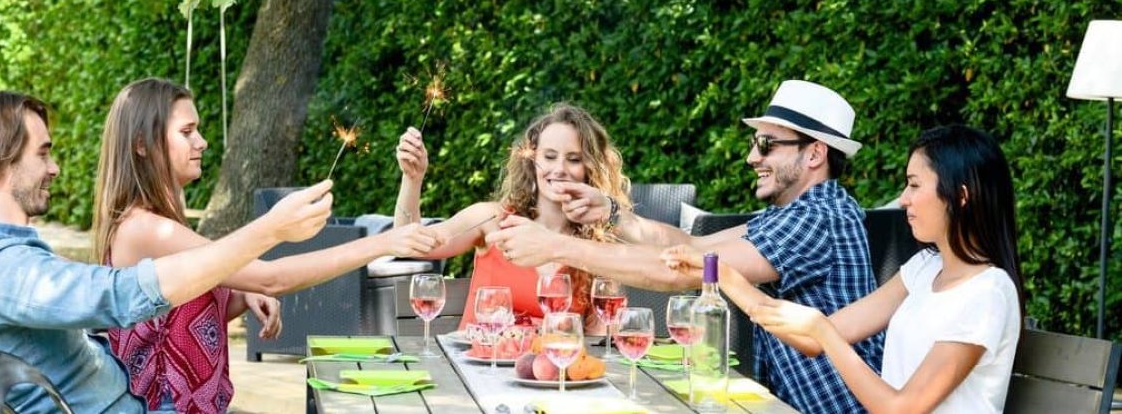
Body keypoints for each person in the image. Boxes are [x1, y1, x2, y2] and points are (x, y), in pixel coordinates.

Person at [486, 80, 882, 412]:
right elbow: (693, 245)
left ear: (815, 153)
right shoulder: (797, 213)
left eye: (766, 144)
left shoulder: (815, 220)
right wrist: (611, 213)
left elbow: (686, 271)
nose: (751, 157)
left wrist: (557, 247)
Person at [91, 78, 443, 412]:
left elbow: (180, 315)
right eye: (187, 132)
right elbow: (271, 277)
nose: (202, 142)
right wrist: (382, 242)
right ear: (141, 144)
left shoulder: (165, 222)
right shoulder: (146, 229)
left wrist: (244, 296)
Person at [0, 90, 332, 412]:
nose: (55, 167)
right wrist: (270, 230)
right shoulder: (6, 268)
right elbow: (119, 296)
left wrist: (239, 289)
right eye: (43, 153)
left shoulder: (14, 256)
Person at [666, 124, 1024, 412]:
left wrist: (823, 331)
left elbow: (901, 409)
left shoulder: (986, 294)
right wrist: (720, 274)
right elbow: (809, 338)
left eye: (915, 185)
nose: (904, 198)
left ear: (961, 196)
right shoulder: (925, 269)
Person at [394, 103, 630, 333]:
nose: (559, 168)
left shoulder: (596, 245)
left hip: (547, 369)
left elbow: (601, 341)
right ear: (532, 160)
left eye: (574, 159)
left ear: (589, 168)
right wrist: (412, 179)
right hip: (475, 367)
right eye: (549, 156)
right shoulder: (492, 219)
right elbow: (412, 246)